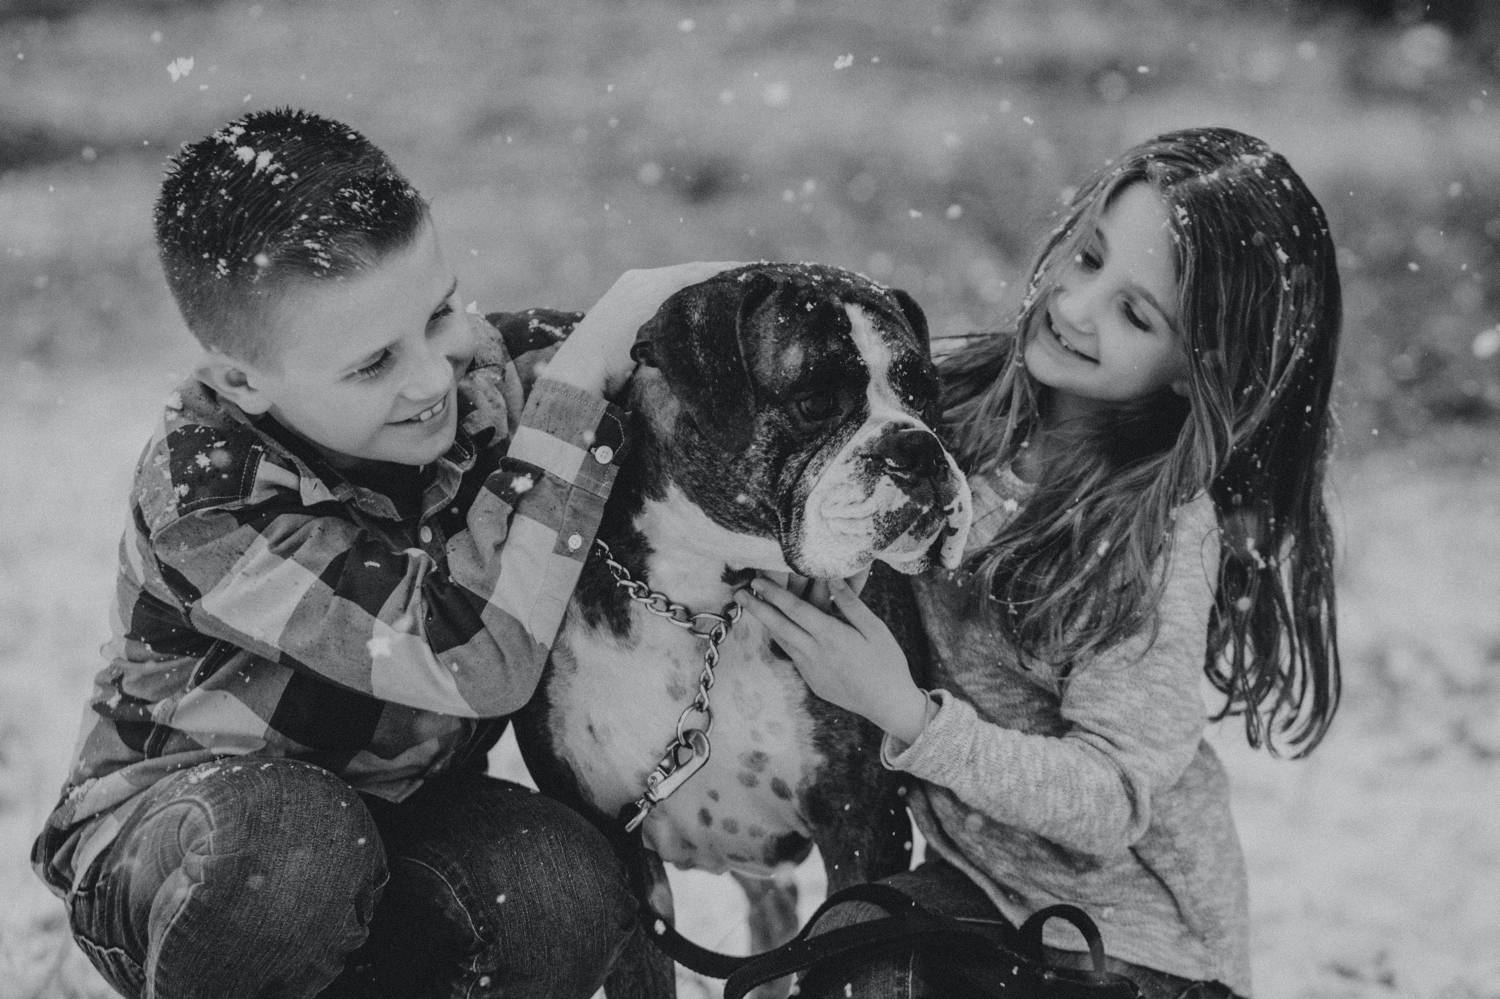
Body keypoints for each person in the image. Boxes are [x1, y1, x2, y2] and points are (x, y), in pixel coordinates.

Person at [31, 107, 731, 999]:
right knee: (294, 846)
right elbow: (473, 657)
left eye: (439, 312)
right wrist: (579, 391)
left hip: (400, 823)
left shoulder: (488, 379)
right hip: (186, 845)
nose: (434, 377)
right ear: (241, 377)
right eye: (372, 365)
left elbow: (692, 358)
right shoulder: (207, 494)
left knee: (557, 881)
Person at [736, 126, 1343, 999]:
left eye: (1136, 313)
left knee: (870, 965)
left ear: (1194, 371)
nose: (1078, 306)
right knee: (853, 949)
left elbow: (1111, 795)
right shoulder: (954, 403)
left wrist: (906, 713)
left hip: (1143, 951)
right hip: (991, 897)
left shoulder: (1161, 533)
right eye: (1089, 257)